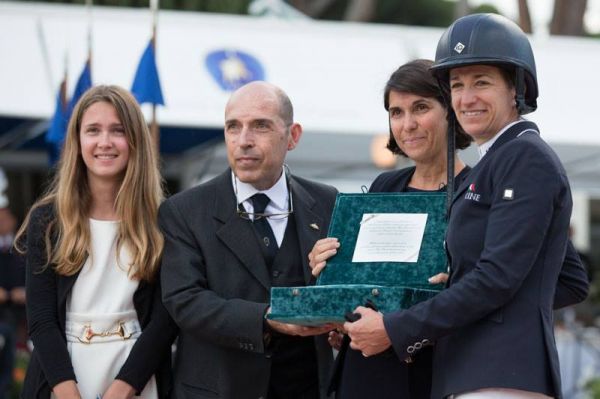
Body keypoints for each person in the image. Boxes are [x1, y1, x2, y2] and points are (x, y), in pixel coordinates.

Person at [341, 14, 588, 399]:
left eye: (482, 82)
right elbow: (563, 278)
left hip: (500, 373)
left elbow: (496, 279)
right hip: (469, 373)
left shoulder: (524, 158)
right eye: (457, 85)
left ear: (517, 89)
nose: (466, 98)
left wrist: (397, 327)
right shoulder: (498, 161)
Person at [160, 81, 337, 399]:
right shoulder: (184, 211)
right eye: (233, 127)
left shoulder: (328, 202)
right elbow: (184, 300)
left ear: (292, 136)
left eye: (260, 126)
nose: (243, 141)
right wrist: (267, 319)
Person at [310, 59, 471, 399]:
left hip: (439, 370)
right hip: (368, 368)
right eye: (396, 112)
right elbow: (369, 280)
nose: (407, 124)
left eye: (421, 107)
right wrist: (330, 269)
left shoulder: (478, 189)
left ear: (451, 111)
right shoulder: (386, 184)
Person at [16, 85, 178, 398]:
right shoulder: (48, 220)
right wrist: (68, 392)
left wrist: (124, 388)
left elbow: (164, 319)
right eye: (93, 130)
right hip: (62, 376)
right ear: (77, 141)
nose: (105, 142)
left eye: (117, 130)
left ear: (135, 141)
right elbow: (41, 320)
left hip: (136, 376)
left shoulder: (163, 220)